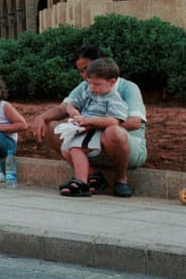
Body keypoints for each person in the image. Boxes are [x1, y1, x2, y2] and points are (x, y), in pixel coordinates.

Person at [31, 46, 146, 198]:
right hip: (90, 140)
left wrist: (93, 124)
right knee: (55, 129)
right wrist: (42, 118)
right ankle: (91, 177)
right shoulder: (88, 87)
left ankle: (121, 180)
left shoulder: (124, 89)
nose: (84, 75)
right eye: (81, 71)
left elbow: (134, 122)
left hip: (125, 146)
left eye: (86, 69)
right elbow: (65, 107)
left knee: (113, 131)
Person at [52, 58, 132, 197]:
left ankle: (81, 183)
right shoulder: (89, 93)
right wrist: (74, 113)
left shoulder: (113, 99)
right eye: (90, 83)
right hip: (82, 126)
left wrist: (89, 121)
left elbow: (114, 121)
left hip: (94, 129)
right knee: (66, 151)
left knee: (76, 149)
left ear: (112, 82)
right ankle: (92, 177)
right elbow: (71, 104)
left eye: (97, 84)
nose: (92, 87)